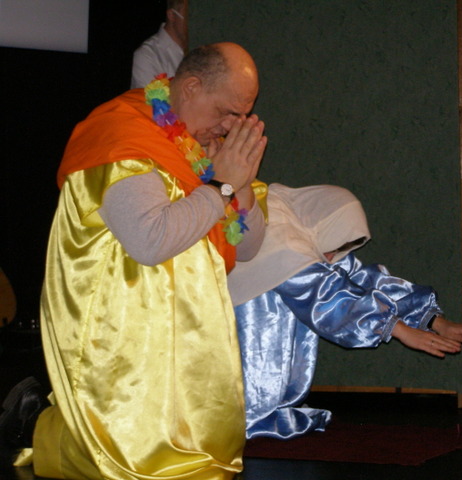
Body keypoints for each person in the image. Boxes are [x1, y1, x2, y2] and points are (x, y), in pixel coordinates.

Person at [0, 42, 267, 479]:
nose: (231, 126)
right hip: (124, 332)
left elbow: (249, 245)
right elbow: (149, 240)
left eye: (243, 116)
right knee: (131, 459)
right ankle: (35, 424)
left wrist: (239, 186)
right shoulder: (121, 132)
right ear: (191, 87)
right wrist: (220, 186)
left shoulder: (205, 145)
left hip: (190, 330)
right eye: (227, 112)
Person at [227, 183, 462, 440]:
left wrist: (435, 321)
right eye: (336, 247)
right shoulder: (281, 235)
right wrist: (397, 329)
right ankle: (248, 414)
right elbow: (326, 296)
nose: (331, 256)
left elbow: (363, 279)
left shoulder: (306, 224)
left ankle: (263, 411)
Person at [131, 0, 188, 89]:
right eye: (188, 17)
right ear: (171, 15)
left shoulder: (200, 47)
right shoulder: (147, 55)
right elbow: (148, 97)